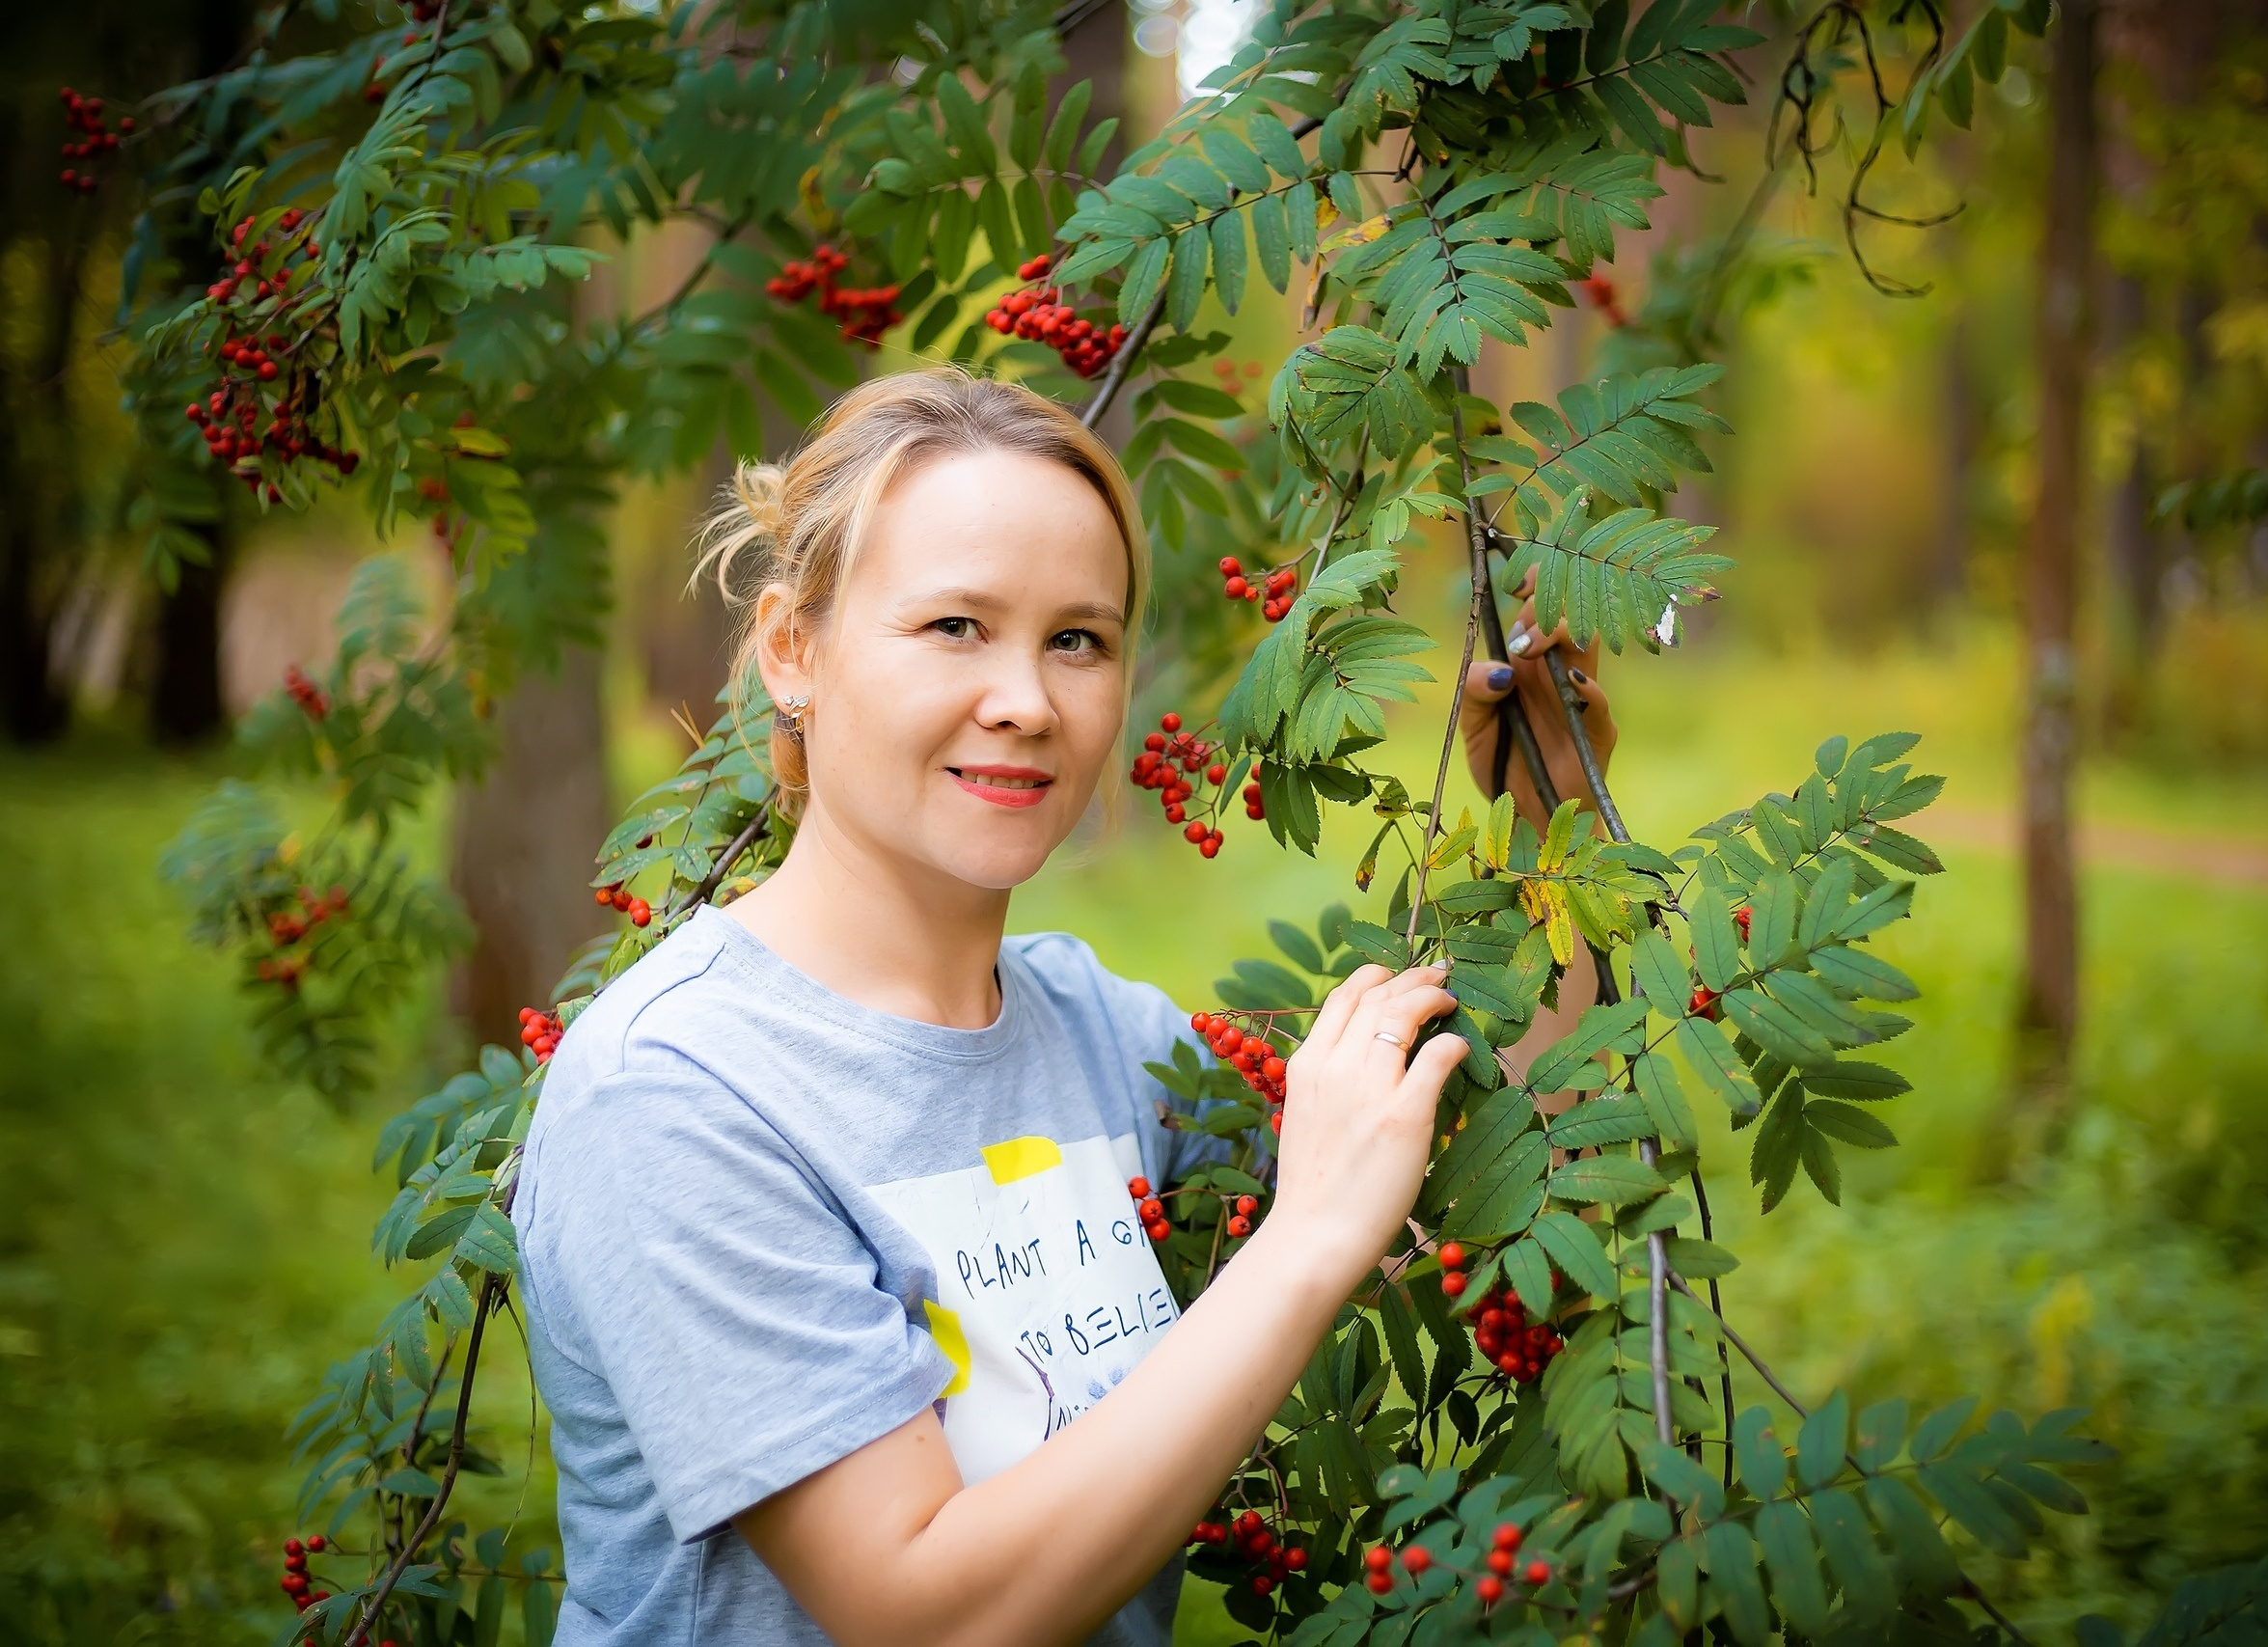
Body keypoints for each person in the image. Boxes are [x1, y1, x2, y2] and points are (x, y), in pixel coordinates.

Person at [512, 368, 1618, 1647]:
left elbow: (1500, 1197)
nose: (1028, 703)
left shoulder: (1099, 1032)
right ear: (790, 650)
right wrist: (1306, 1236)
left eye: (1076, 639)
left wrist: (1557, 826)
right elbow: (924, 1617)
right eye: (954, 627)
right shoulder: (678, 1086)